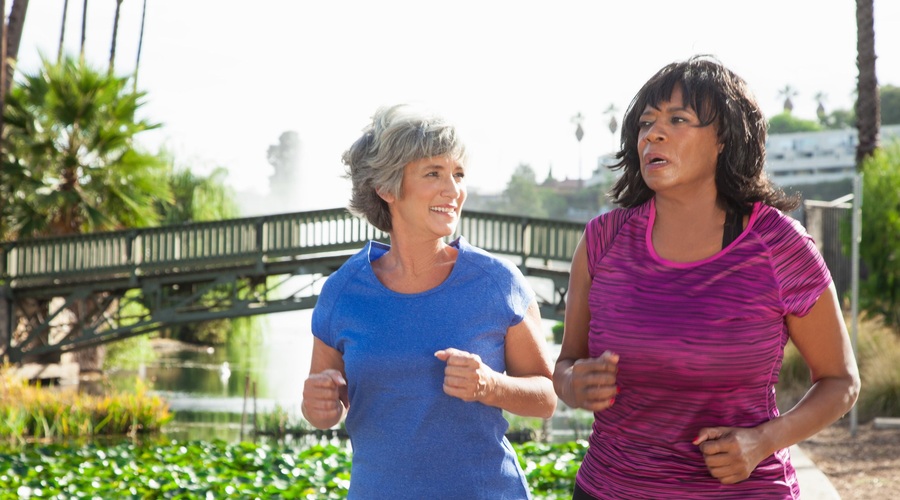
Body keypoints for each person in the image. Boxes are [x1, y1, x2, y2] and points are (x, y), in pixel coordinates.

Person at [553, 55, 860, 499]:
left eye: (678, 119)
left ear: (723, 139)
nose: (653, 133)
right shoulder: (602, 242)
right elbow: (566, 364)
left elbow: (841, 382)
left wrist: (763, 441)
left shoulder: (779, 246)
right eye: (646, 122)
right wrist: (572, 384)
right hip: (608, 489)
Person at [301, 104, 557, 499]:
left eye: (458, 174)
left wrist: (489, 385)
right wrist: (318, 408)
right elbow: (325, 404)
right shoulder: (343, 292)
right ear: (386, 188)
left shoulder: (497, 283)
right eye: (433, 173)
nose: (452, 190)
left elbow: (546, 397)